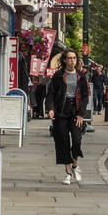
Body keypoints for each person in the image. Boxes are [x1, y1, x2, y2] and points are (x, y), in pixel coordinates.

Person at [47, 49, 89, 184]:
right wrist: (51, 109)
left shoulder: (81, 76)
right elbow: (51, 93)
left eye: (74, 58)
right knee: (63, 141)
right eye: (70, 58)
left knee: (77, 140)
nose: (72, 60)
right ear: (64, 60)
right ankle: (68, 173)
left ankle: (75, 165)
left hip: (75, 111)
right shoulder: (58, 76)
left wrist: (81, 115)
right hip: (61, 112)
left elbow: (84, 96)